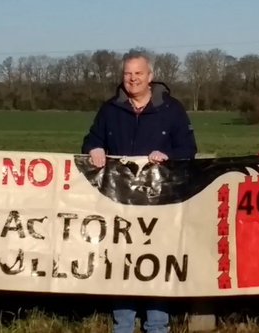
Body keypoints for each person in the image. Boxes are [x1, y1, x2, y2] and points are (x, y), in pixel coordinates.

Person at [81, 50, 197, 333]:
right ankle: (122, 325)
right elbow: (91, 140)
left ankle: (157, 325)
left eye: (138, 74)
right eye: (127, 74)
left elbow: (188, 149)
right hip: (119, 204)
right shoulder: (110, 109)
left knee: (156, 262)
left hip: (160, 204)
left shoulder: (172, 109)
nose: (132, 79)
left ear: (150, 77)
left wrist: (167, 154)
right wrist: (93, 148)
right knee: (122, 262)